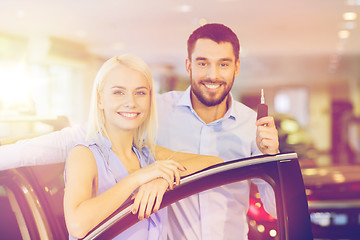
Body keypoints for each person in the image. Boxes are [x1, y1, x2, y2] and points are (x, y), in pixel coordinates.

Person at [0, 23, 279, 239]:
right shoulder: (150, 110)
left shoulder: (252, 126)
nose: (213, 75)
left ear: (237, 67)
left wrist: (162, 178)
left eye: (224, 64)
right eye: (203, 62)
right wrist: (145, 176)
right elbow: (72, 141)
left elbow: (224, 171)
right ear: (188, 65)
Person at [64, 54, 222, 239]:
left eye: (140, 92)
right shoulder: (84, 154)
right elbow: (77, 225)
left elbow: (215, 162)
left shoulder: (147, 154)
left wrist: (162, 180)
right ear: (100, 100)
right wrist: (137, 178)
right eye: (118, 92)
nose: (131, 102)